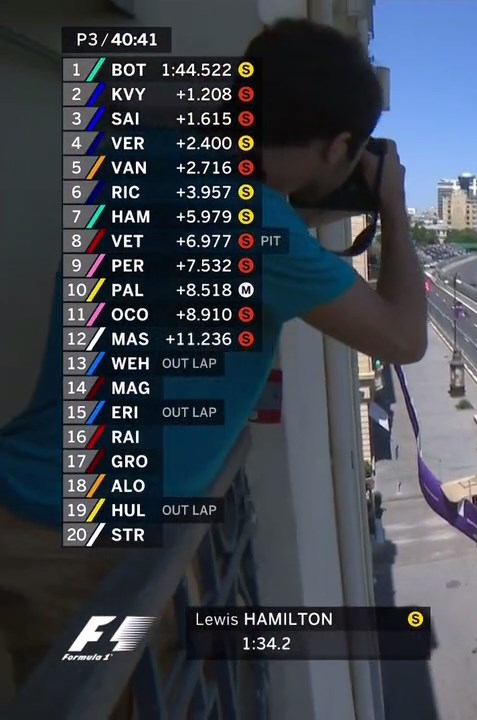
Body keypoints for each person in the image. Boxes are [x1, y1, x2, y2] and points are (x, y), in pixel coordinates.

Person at [0, 19, 427, 712]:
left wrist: (279, 97)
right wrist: (395, 211)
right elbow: (404, 338)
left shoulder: (139, 153)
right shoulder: (260, 229)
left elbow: (108, 73)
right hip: (93, 559)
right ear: (338, 146)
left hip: (22, 497)